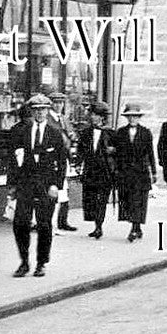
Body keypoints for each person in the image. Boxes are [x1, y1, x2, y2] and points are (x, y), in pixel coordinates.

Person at [8, 94, 67, 277]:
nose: (40, 113)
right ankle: (24, 262)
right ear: (32, 112)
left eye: (43, 109)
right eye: (36, 110)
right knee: (20, 223)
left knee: (44, 225)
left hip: (46, 185)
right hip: (25, 185)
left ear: (48, 111)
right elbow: (12, 159)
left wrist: (56, 185)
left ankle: (41, 263)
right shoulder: (21, 132)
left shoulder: (55, 133)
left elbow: (61, 163)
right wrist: (12, 185)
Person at [112, 104, 156, 241]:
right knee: (128, 200)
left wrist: (153, 172)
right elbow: (116, 152)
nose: (132, 119)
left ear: (139, 118)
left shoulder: (145, 133)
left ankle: (134, 228)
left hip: (140, 172)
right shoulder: (120, 133)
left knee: (138, 200)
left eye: (135, 116)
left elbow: (150, 153)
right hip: (125, 172)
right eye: (130, 116)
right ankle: (136, 227)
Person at [77, 101, 116, 239]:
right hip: (90, 170)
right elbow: (80, 150)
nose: (92, 117)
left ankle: (99, 226)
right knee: (91, 199)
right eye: (92, 114)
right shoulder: (86, 132)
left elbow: (121, 151)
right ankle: (95, 225)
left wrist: (113, 150)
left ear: (102, 117)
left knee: (102, 200)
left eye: (95, 115)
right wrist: (78, 164)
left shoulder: (111, 133)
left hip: (105, 171)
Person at [46, 93, 78, 232]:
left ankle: (63, 221)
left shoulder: (64, 119)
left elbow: (71, 135)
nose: (59, 105)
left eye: (61, 103)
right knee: (54, 188)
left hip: (64, 157)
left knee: (64, 189)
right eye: (56, 103)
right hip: (52, 158)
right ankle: (51, 221)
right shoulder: (48, 120)